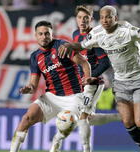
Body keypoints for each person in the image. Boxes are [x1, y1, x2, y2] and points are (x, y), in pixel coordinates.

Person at [58, 5, 140, 152]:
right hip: (120, 82)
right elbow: (81, 45)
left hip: (139, 80)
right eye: (102, 17)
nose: (105, 20)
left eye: (109, 17)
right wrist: (69, 46)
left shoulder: (128, 31)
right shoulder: (97, 34)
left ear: (115, 18)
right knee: (127, 122)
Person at [10, 20, 92, 152]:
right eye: (40, 34)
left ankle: (56, 141)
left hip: (74, 96)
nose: (44, 37)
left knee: (66, 124)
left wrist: (87, 82)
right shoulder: (35, 56)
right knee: (26, 118)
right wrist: (28, 88)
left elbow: (84, 63)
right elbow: (33, 85)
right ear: (36, 36)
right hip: (52, 97)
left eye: (47, 33)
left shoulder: (62, 47)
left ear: (52, 34)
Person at [50, 6, 121, 152]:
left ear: (91, 20)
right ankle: (122, 116)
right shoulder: (75, 34)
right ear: (76, 19)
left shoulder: (96, 36)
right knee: (86, 118)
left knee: (82, 118)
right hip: (80, 82)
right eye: (80, 18)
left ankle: (83, 149)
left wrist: (90, 77)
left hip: (94, 83)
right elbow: (78, 59)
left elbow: (105, 62)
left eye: (86, 18)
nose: (83, 21)